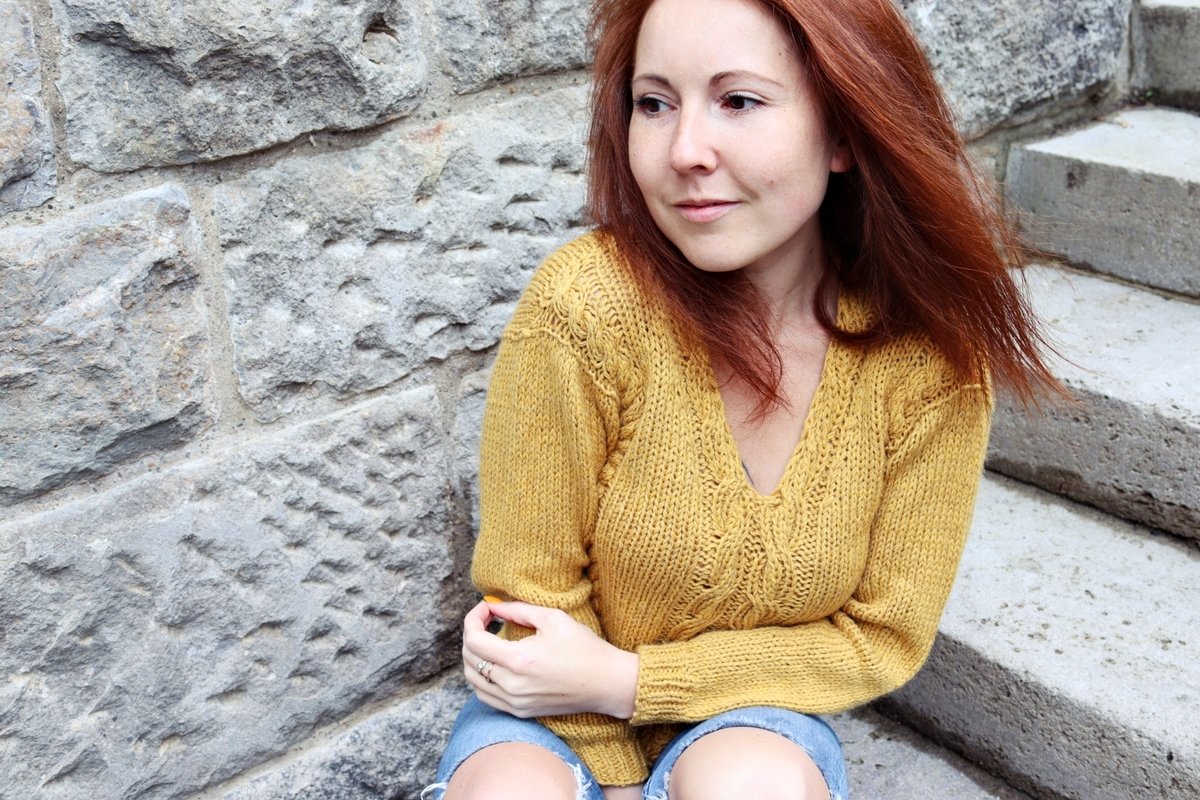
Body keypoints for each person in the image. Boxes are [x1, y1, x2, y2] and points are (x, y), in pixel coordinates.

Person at [426, 0, 1059, 797]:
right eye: (654, 104)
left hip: (753, 713)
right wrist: (615, 777)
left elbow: (879, 638)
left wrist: (630, 682)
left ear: (843, 132)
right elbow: (531, 602)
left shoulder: (930, 363)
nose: (685, 151)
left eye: (739, 100)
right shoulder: (584, 308)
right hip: (549, 708)